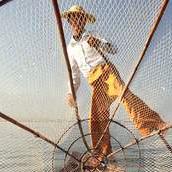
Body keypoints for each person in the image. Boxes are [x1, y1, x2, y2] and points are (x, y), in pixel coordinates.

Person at [62, 5, 166, 160]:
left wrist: (99, 44)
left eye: (80, 18)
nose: (76, 21)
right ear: (70, 21)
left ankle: (154, 124)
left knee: (124, 95)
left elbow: (114, 49)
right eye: (73, 18)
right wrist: (71, 92)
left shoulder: (92, 35)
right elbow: (74, 74)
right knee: (97, 116)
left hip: (106, 71)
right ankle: (104, 154)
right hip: (93, 81)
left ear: (84, 21)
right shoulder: (70, 48)